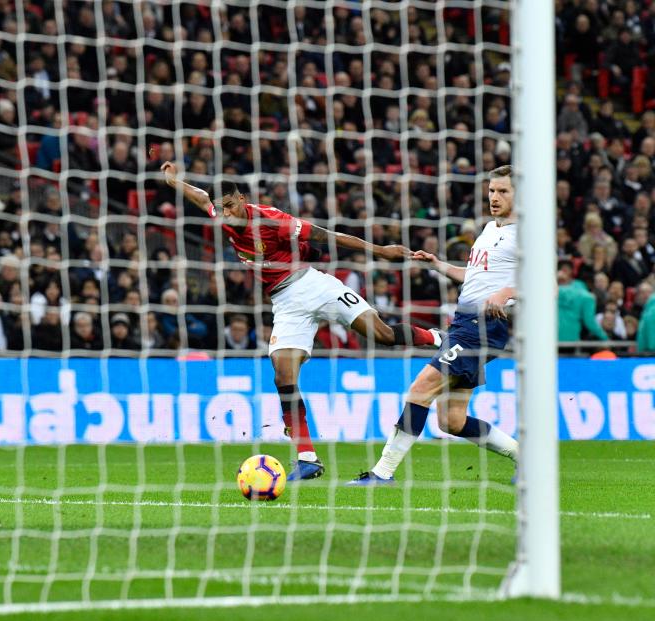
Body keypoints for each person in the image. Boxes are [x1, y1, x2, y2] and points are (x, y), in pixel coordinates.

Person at [161, 162, 443, 480]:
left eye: (229, 206)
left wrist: (380, 250)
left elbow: (326, 236)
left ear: (241, 198)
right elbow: (200, 197)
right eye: (221, 208)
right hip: (285, 303)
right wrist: (173, 181)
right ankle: (307, 458)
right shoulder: (219, 213)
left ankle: (438, 339)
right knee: (283, 375)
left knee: (384, 334)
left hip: (312, 285)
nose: (226, 214)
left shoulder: (270, 218)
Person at [349, 166, 520, 485]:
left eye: (503, 192)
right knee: (451, 421)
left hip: (484, 327)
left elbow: (547, 286)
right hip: (463, 324)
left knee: (420, 388)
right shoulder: (488, 229)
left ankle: (382, 472)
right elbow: (475, 278)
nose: (494, 197)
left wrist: (506, 293)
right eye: (492, 190)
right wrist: (438, 265)